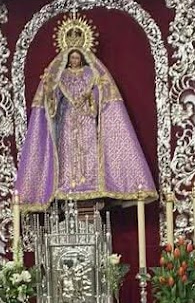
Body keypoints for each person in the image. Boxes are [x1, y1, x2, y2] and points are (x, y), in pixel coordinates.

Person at [15, 18, 157, 210]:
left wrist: (91, 98)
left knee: (87, 150)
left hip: (86, 118)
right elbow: (53, 103)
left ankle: (90, 183)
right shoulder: (61, 76)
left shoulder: (91, 73)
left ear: (81, 57)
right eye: (71, 58)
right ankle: (67, 184)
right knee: (68, 150)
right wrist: (49, 91)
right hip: (67, 119)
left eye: (77, 57)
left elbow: (100, 95)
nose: (74, 60)